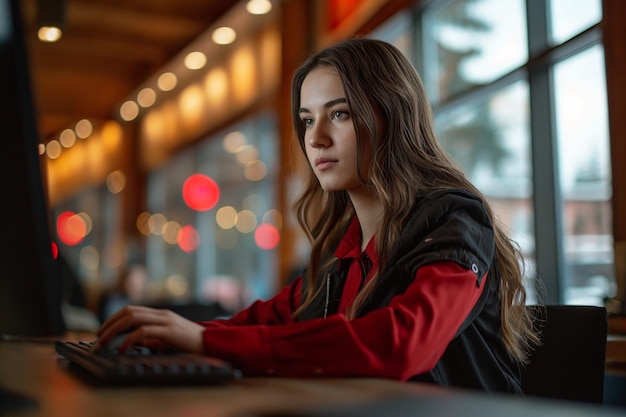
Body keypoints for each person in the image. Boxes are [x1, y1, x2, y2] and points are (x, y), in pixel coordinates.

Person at [94, 38, 539, 393]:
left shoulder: (454, 221)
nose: (316, 139)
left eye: (339, 114)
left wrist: (205, 341)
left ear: (392, 116)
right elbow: (276, 317)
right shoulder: (345, 247)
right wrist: (172, 334)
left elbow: (403, 344)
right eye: (307, 120)